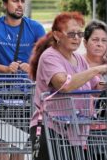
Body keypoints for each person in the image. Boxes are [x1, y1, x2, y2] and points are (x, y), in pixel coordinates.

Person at [29, 12, 107, 160]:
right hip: (48, 129)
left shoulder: (79, 59)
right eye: (71, 34)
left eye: (79, 33)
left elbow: (96, 87)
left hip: (73, 130)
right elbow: (63, 84)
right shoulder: (49, 57)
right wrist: (97, 69)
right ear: (57, 35)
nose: (76, 38)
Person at [82, 20, 107, 160]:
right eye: (95, 40)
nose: (100, 44)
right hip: (82, 128)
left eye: (104, 40)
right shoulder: (78, 63)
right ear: (85, 43)